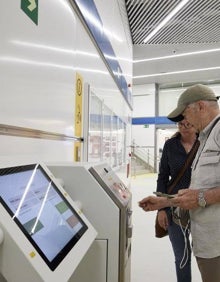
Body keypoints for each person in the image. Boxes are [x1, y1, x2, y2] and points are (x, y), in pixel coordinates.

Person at [139, 84, 220, 282]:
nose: (186, 120)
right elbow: (197, 191)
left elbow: (200, 195)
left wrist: (202, 197)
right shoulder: (206, 137)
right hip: (208, 242)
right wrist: (164, 203)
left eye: (186, 113)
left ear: (200, 106)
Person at [156, 119, 198, 282]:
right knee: (182, 256)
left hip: (201, 206)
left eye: (189, 124)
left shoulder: (204, 143)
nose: (185, 128)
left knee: (207, 255)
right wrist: (161, 208)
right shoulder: (170, 145)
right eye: (181, 125)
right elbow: (162, 177)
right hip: (174, 206)